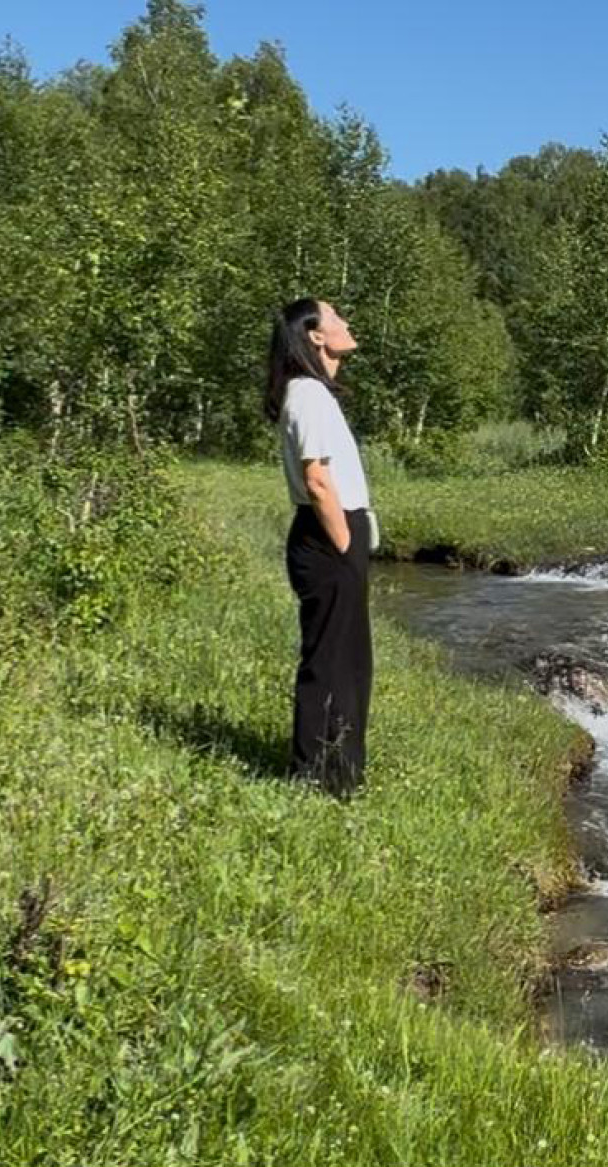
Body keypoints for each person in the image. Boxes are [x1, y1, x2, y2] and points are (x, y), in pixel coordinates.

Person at [263, 298, 374, 795]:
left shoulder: (313, 394)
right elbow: (318, 480)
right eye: (335, 318)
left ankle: (339, 774)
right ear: (313, 335)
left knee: (346, 662)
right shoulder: (307, 394)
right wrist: (346, 540)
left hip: (330, 533)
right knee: (332, 663)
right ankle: (314, 777)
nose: (346, 323)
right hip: (328, 534)